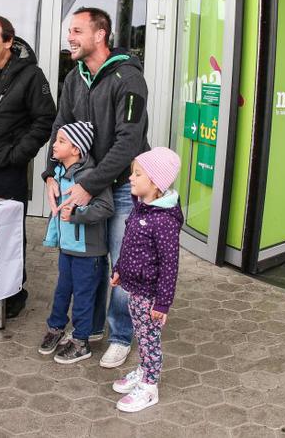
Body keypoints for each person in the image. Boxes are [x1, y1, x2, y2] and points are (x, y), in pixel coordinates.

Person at [43, 6, 150, 369]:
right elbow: (60, 126)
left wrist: (88, 185)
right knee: (92, 260)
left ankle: (121, 336)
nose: (69, 37)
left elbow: (129, 141)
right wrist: (50, 173)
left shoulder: (128, 77)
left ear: (100, 34)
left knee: (123, 265)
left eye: (77, 31)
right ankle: (90, 329)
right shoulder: (74, 79)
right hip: (85, 187)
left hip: (121, 188)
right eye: (69, 31)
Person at [0, 16, 55, 318]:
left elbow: (45, 120)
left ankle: (14, 293)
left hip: (6, 171)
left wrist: (17, 155)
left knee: (10, 234)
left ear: (8, 41)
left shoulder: (31, 76)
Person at [110, 147, 183, 412]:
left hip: (150, 296)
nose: (131, 178)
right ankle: (143, 370)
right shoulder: (141, 208)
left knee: (149, 339)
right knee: (141, 335)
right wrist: (119, 269)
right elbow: (128, 244)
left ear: (155, 183)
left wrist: (162, 303)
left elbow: (170, 265)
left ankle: (150, 387)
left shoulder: (163, 221)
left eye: (137, 174)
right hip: (135, 289)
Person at [38, 122, 112, 364]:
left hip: (87, 252)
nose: (54, 144)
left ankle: (81, 341)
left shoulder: (90, 176)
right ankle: (56, 328)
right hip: (67, 248)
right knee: (62, 290)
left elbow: (106, 207)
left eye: (61, 141)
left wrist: (77, 215)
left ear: (76, 149)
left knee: (83, 296)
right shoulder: (59, 172)